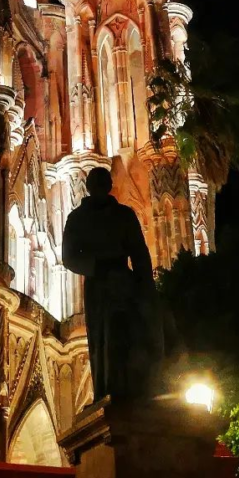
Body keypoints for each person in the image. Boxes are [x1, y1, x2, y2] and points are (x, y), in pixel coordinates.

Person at [62, 167, 164, 402]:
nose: (100, 189)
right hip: (97, 286)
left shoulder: (124, 215)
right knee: (100, 339)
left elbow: (139, 252)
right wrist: (96, 267)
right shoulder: (77, 218)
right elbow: (69, 257)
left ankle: (132, 388)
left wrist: (145, 286)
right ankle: (105, 389)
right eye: (96, 184)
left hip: (123, 282)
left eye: (104, 184)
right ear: (89, 188)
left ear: (109, 186)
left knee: (128, 334)